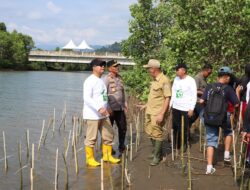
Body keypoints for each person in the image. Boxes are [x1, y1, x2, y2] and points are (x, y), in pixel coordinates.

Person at [200, 66, 239, 174]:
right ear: (226, 77)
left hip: (210, 117)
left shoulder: (209, 87)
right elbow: (236, 104)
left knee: (211, 140)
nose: (230, 79)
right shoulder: (228, 89)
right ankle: (226, 154)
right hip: (223, 116)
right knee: (229, 131)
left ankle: (209, 167)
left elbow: (202, 100)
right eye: (229, 77)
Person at [83, 58, 120, 167]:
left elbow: (104, 97)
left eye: (103, 65)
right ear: (93, 67)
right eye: (100, 65)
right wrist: (99, 108)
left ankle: (107, 156)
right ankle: (89, 159)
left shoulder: (101, 80)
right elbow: (87, 98)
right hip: (92, 115)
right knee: (91, 138)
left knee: (108, 135)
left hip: (104, 115)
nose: (103, 67)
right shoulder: (89, 81)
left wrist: (107, 107)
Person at [139, 59, 171, 166]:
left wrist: (162, 114)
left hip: (158, 112)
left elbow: (167, 98)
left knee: (157, 133)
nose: (148, 70)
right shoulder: (154, 80)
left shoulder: (164, 80)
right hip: (150, 111)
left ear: (153, 69)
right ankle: (157, 152)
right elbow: (155, 97)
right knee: (149, 131)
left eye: (148, 68)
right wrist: (146, 105)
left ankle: (158, 156)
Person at [170, 62, 197, 151]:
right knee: (175, 127)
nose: (176, 71)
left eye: (178, 70)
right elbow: (173, 93)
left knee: (184, 127)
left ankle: (183, 144)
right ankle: (176, 144)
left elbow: (194, 95)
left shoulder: (191, 80)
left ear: (183, 71)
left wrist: (191, 108)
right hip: (176, 107)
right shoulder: (176, 79)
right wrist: (170, 105)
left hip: (185, 108)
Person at [104, 60, 127, 155]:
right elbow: (103, 94)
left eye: (118, 66)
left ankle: (121, 146)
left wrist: (125, 103)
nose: (117, 67)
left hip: (120, 108)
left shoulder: (120, 78)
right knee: (108, 130)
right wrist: (108, 107)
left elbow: (122, 92)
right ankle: (109, 149)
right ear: (109, 68)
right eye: (115, 66)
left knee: (123, 128)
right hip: (110, 110)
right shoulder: (106, 79)